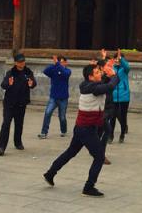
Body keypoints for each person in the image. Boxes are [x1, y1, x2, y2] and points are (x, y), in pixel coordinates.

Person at [43, 59, 119, 196]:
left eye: (99, 72)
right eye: (97, 72)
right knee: (99, 157)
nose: (99, 74)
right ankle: (89, 187)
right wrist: (114, 75)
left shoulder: (90, 85)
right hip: (86, 130)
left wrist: (108, 72)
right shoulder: (93, 88)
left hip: (82, 127)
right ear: (90, 77)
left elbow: (105, 83)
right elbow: (109, 87)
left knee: (70, 152)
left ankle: (50, 173)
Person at [0, 52, 35, 156]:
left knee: (19, 124)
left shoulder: (28, 72)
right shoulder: (10, 73)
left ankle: (18, 142)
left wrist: (32, 84)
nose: (22, 63)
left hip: (22, 103)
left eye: (23, 61)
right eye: (19, 62)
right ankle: (1, 147)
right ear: (15, 63)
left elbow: (33, 83)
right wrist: (8, 84)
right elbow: (3, 85)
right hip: (9, 103)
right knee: (6, 124)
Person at [39, 55, 71, 139]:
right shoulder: (54, 69)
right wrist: (54, 64)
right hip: (53, 97)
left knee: (62, 116)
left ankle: (63, 130)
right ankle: (44, 132)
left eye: (62, 62)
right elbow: (45, 71)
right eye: (59, 62)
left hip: (63, 98)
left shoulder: (67, 71)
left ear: (66, 63)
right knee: (47, 113)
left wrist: (57, 64)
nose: (61, 64)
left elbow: (65, 74)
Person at [111, 49, 130, 143]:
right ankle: (110, 135)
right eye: (116, 59)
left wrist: (121, 58)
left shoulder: (125, 69)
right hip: (113, 96)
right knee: (112, 117)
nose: (117, 61)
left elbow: (127, 66)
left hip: (124, 96)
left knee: (123, 117)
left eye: (118, 59)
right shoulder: (111, 69)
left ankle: (122, 134)